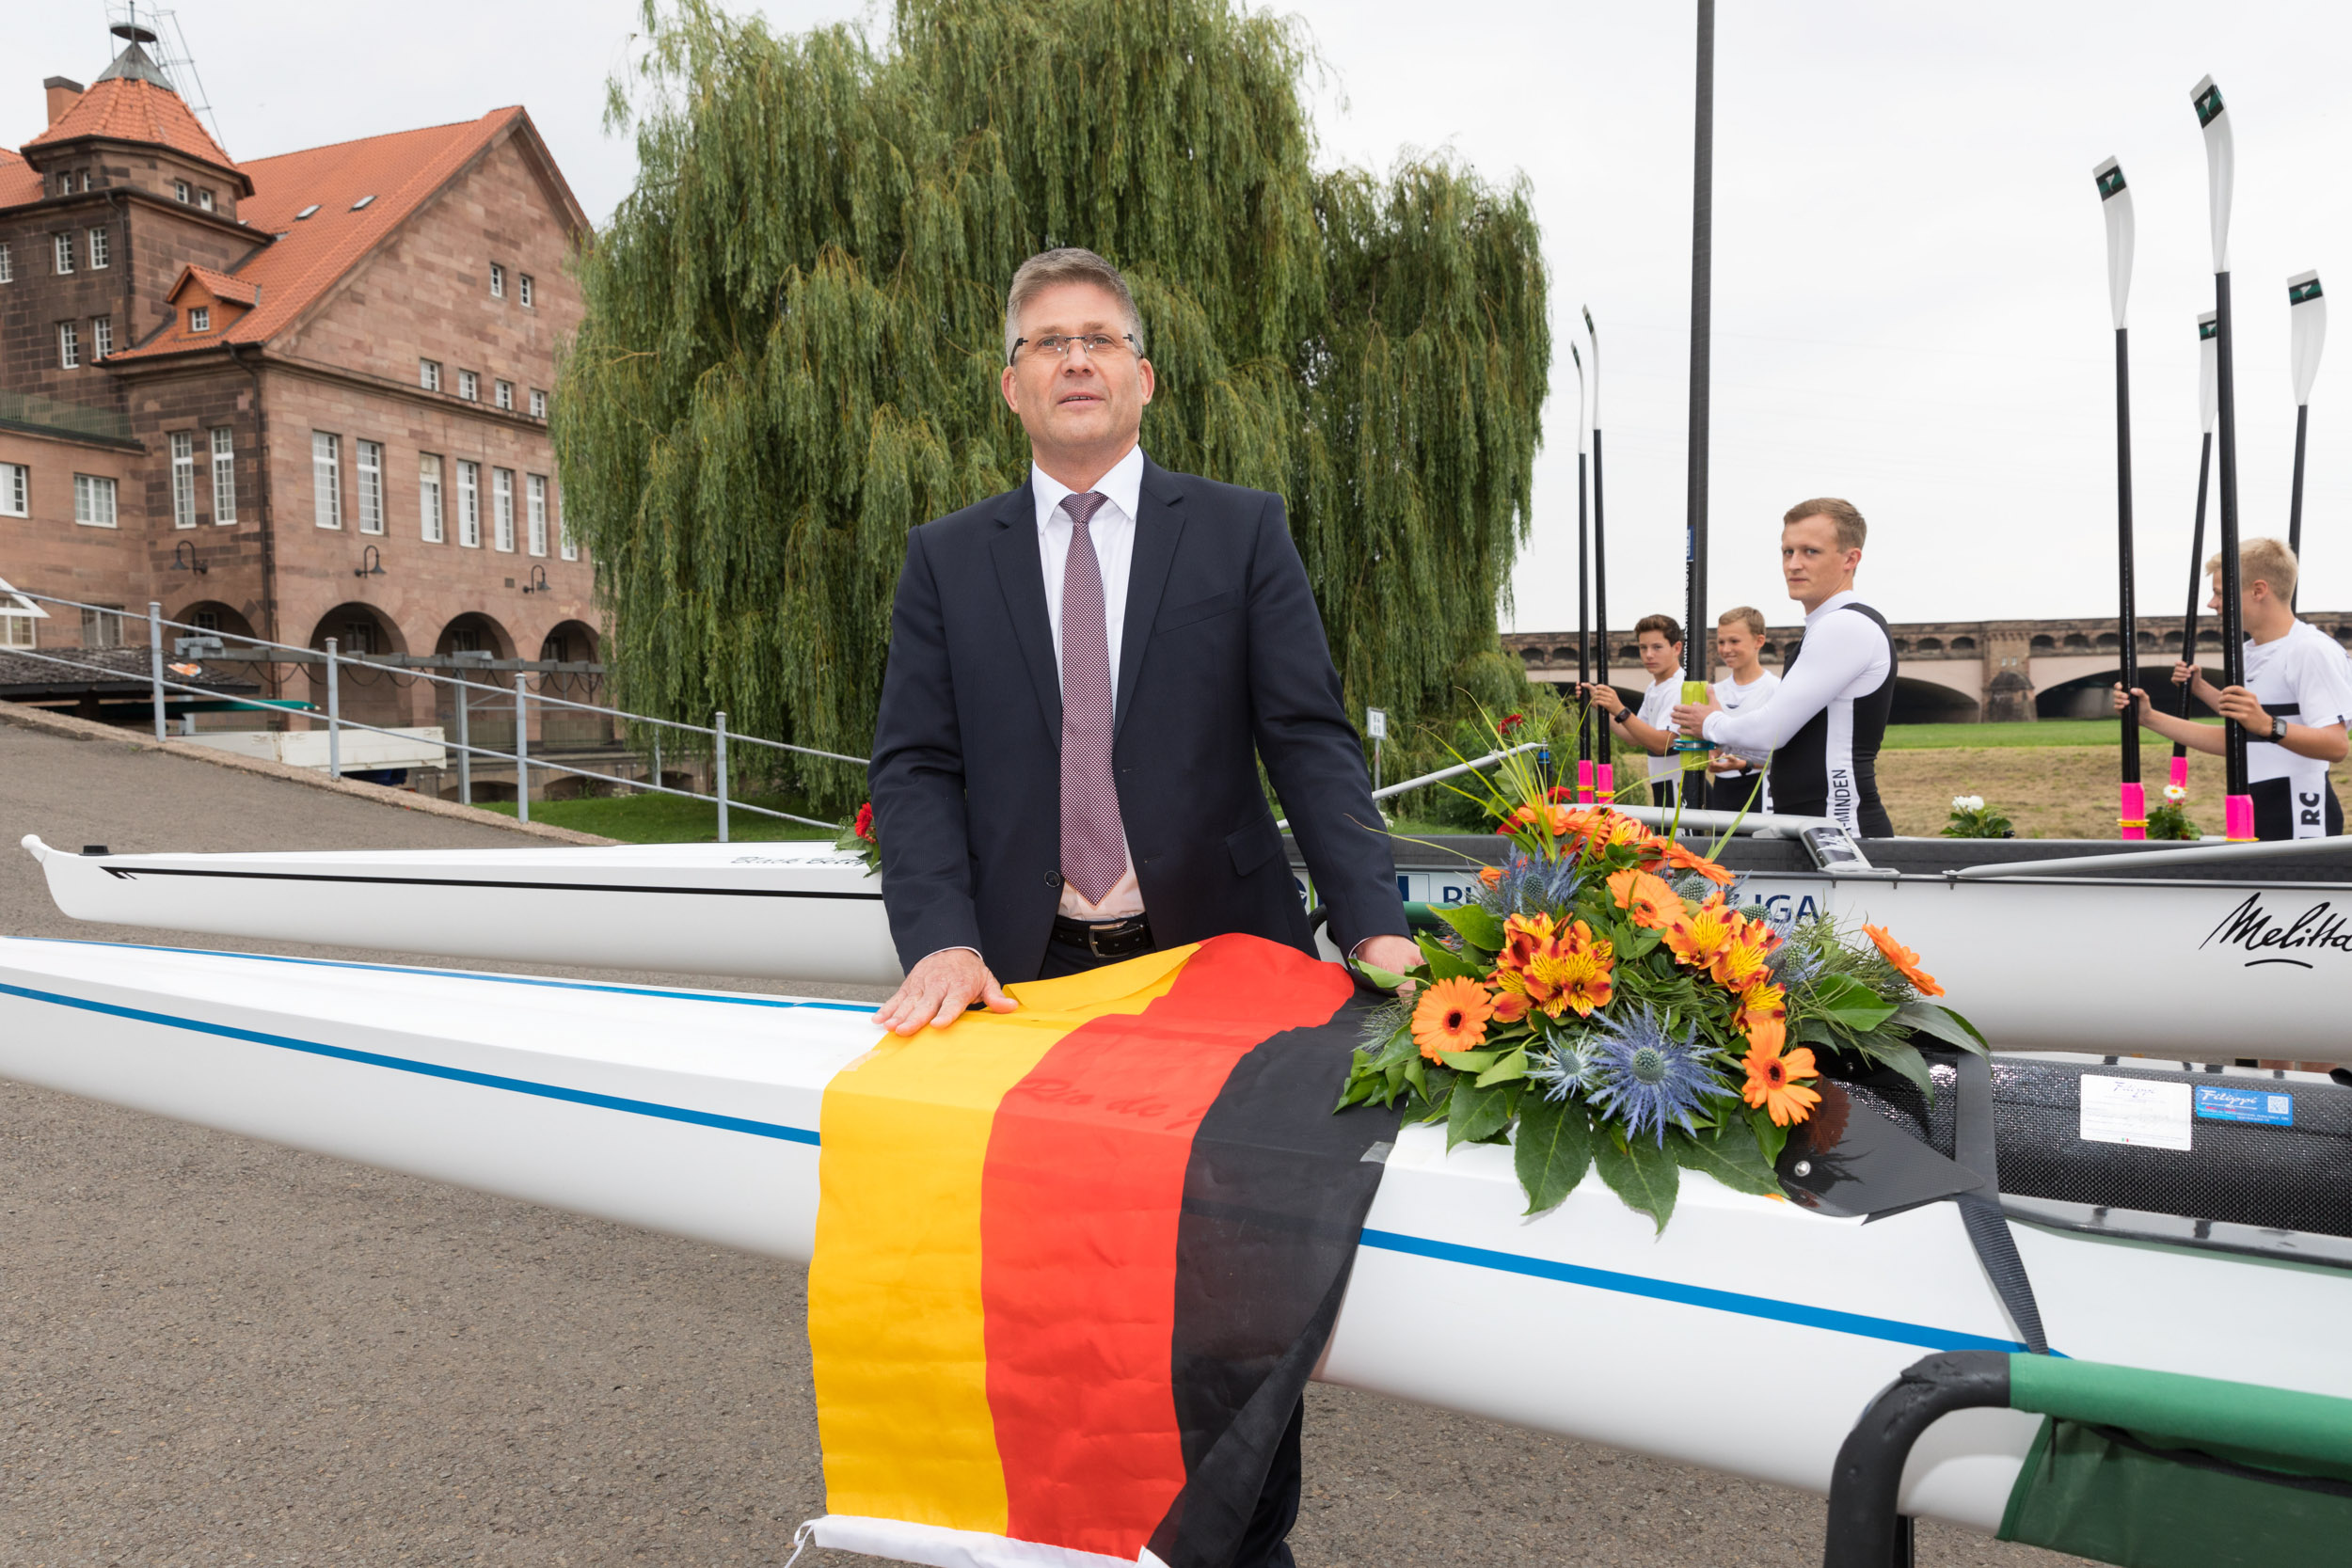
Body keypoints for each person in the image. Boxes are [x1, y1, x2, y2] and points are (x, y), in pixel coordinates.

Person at [867, 248, 1418, 1568]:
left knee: (1236, 1278)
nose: (1073, 358)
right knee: (1057, 1277)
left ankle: (1240, 1539)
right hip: (1027, 972)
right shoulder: (947, 558)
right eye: (1047, 341)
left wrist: (1375, 924)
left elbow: (1309, 738)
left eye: (1098, 338)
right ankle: (1067, 1532)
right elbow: (916, 764)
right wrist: (939, 933)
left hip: (1219, 968)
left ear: (1141, 375)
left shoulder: (1238, 529)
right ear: (1012, 385)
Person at [1670, 498, 1898, 836]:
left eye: (1810, 552)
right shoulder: (1827, 626)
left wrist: (1711, 724)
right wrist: (1728, 736)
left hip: (1841, 830)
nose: (1793, 564)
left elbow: (1770, 732)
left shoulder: (1845, 626)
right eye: (1787, 552)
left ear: (1850, 559)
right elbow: (1793, 746)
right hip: (1813, 824)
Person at [2113, 537, 2351, 839]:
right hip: (2253, 802)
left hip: (2298, 808)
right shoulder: (2248, 651)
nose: (2212, 603)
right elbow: (2240, 739)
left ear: (2258, 590)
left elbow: (2336, 746)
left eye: (2219, 593)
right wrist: (2149, 716)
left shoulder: (2309, 650)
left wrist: (2267, 725)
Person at [1581, 614, 1691, 808]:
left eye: (1657, 647)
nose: (1649, 654)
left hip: (1681, 788)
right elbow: (1632, 737)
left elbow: (1662, 744)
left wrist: (1620, 710)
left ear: (1676, 648)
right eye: (1643, 648)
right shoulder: (1655, 687)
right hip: (1664, 785)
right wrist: (1604, 708)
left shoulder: (1679, 687)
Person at [1706, 606, 1780, 814]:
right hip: (1722, 790)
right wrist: (1711, 752)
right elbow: (1712, 743)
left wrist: (1743, 763)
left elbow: (1782, 754)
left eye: (1734, 641)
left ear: (1759, 641)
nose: (1726, 649)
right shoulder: (1714, 691)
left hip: (1761, 790)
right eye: (1721, 642)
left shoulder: (1776, 689)